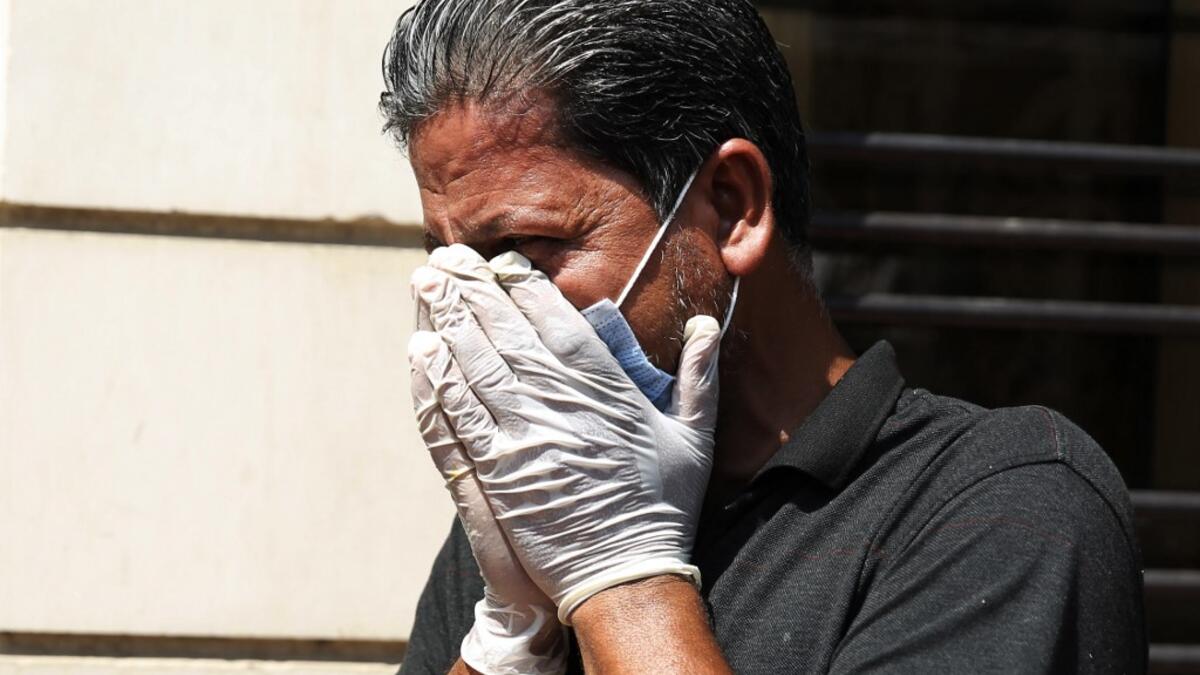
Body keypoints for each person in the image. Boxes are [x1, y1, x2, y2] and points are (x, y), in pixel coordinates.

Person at [380, 1, 1147, 673]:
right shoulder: (546, 490)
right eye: (446, 261)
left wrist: (623, 581)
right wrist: (511, 640)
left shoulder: (1001, 504)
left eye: (523, 251)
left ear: (731, 206)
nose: (473, 308)